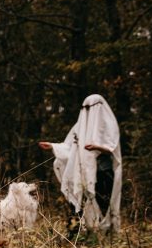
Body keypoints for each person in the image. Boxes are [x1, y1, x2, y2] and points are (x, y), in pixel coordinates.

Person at [39, 93, 122, 233]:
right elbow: (70, 146)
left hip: (103, 171)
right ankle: (84, 234)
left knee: (104, 204)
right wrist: (53, 146)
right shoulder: (81, 125)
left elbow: (113, 149)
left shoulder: (108, 123)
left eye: (91, 108)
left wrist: (97, 147)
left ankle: (106, 236)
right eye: (86, 108)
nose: (88, 111)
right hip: (84, 173)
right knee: (83, 203)